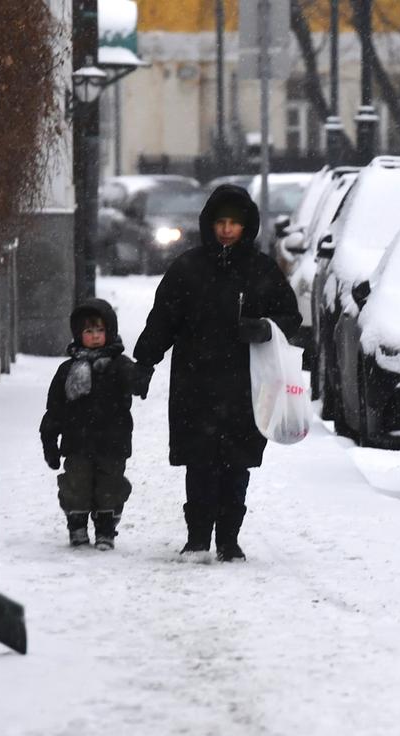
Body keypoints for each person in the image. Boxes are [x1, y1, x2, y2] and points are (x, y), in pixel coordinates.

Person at [133, 184, 300, 562]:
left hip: (246, 384)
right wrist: (144, 361)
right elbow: (164, 319)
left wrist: (263, 327)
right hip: (196, 383)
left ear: (247, 227)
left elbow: (290, 317)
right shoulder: (188, 269)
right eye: (220, 222)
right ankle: (197, 537)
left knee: (237, 464)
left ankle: (228, 538)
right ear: (209, 224)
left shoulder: (261, 270)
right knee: (200, 463)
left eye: (234, 223)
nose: (226, 230)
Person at [40, 298, 150, 550]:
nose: (95, 336)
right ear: (78, 334)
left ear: (109, 331)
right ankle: (77, 525)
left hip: (113, 442)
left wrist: (142, 372)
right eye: (88, 331)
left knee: (109, 487)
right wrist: (49, 440)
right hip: (77, 442)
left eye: (100, 330)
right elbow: (55, 409)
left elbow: (136, 385)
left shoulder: (120, 365)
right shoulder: (67, 370)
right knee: (76, 486)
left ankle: (106, 529)